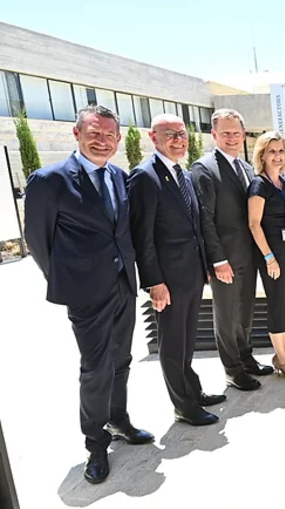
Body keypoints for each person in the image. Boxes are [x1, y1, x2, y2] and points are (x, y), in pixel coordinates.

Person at [24, 105, 153, 484]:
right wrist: (67, 278)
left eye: (109, 135)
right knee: (95, 367)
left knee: (122, 359)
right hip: (86, 292)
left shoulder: (118, 176)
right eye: (95, 133)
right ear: (77, 134)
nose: (103, 140)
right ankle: (95, 444)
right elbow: (38, 240)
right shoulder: (50, 180)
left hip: (122, 286)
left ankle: (118, 420)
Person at [129, 114, 226, 427]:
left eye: (182, 134)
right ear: (152, 137)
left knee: (186, 341)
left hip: (192, 274)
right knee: (172, 344)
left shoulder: (180, 172)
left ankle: (193, 393)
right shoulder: (145, 176)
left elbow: (195, 225)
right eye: (169, 134)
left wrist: (205, 266)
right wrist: (154, 281)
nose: (178, 140)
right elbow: (142, 236)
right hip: (168, 280)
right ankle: (183, 406)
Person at [191, 109, 274, 392]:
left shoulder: (247, 168)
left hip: (249, 256)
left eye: (236, 133)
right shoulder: (204, 169)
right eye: (225, 133)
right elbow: (205, 219)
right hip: (225, 259)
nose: (232, 138)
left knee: (245, 312)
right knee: (226, 315)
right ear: (214, 134)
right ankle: (232, 369)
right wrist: (217, 260)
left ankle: (246, 357)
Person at [247, 131, 285, 379]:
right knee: (277, 305)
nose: (278, 156)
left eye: (281, 151)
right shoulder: (259, 184)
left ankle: (280, 355)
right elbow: (253, 224)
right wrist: (269, 258)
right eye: (272, 151)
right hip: (270, 253)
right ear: (262, 154)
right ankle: (282, 359)